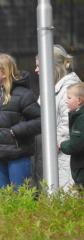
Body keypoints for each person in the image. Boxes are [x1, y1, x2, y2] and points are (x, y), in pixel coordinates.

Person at [0, 53, 41, 189]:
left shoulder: (24, 94)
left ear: (4, 73)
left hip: (18, 155)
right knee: (4, 197)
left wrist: (17, 130)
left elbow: (40, 121)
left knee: (19, 196)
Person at [33, 45, 82, 189]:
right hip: (53, 154)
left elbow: (68, 123)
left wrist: (55, 144)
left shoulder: (71, 88)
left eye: (38, 66)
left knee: (65, 198)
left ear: (52, 67)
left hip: (64, 156)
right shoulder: (49, 88)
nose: (36, 70)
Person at [59, 82, 84, 187]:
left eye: (69, 98)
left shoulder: (81, 118)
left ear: (79, 100)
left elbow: (76, 144)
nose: (66, 101)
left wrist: (62, 145)